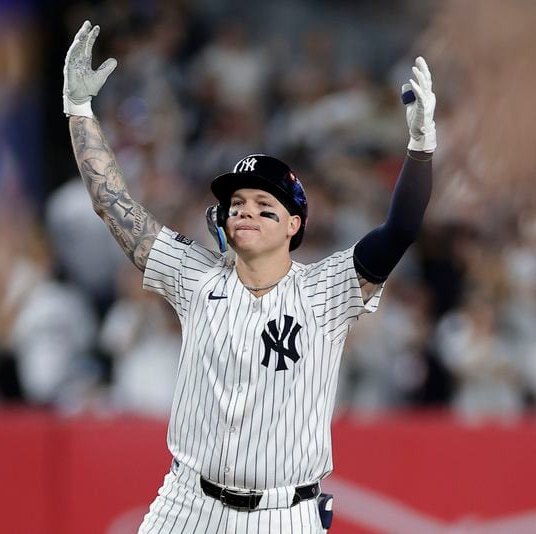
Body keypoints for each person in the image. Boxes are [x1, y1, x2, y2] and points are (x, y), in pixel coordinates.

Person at [64, 20, 436, 533]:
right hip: (186, 504)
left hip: (285, 514)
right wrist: (79, 111)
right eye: (236, 203)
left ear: (294, 224)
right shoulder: (195, 275)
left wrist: (419, 149)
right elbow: (113, 204)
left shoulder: (326, 289)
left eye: (265, 206)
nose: (245, 211)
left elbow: (400, 229)